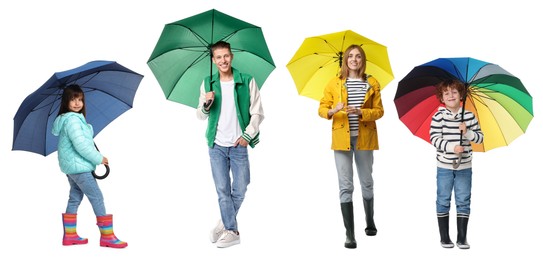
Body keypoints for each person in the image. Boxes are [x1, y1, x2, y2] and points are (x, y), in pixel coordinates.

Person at [196, 40, 264, 248]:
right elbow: (199, 115)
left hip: (238, 144)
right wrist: (206, 104)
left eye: (226, 56)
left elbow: (258, 113)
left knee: (241, 187)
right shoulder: (207, 84)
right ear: (213, 60)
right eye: (218, 57)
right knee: (222, 189)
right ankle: (232, 231)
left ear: (231, 56)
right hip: (216, 145)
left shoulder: (247, 81)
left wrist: (247, 136)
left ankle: (224, 221)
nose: (223, 60)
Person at [318, 44, 383, 249]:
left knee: (367, 182)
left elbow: (379, 111)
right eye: (350, 56)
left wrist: (362, 112)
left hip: (365, 139)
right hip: (341, 140)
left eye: (358, 56)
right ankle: (350, 234)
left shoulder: (372, 82)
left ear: (363, 60)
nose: (354, 60)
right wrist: (332, 111)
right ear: (345, 60)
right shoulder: (334, 83)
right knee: (345, 185)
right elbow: (321, 108)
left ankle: (370, 221)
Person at [52, 84, 127, 249]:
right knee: (97, 197)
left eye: (80, 99)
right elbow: (80, 145)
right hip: (79, 168)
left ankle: (70, 235)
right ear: (66, 102)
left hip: (71, 168)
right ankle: (107, 237)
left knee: (75, 197)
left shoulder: (71, 119)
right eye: (73, 99)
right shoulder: (72, 120)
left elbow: (81, 141)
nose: (77, 103)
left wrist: (86, 129)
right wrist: (99, 158)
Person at [430, 79, 483, 249]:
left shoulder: (468, 116)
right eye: (446, 93)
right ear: (442, 98)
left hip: (465, 167)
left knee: (463, 199)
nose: (451, 95)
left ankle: (462, 237)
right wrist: (453, 147)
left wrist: (467, 132)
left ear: (461, 95)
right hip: (444, 166)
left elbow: (480, 138)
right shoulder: (439, 116)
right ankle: (444, 237)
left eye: (454, 92)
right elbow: (435, 139)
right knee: (443, 199)